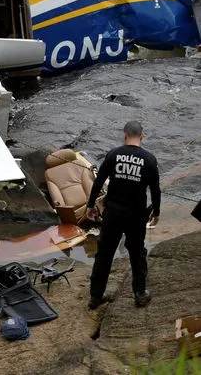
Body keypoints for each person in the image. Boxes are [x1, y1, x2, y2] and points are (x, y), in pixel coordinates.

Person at [86, 120, 160, 310]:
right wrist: (157, 212)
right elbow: (155, 189)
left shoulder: (113, 154)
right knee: (137, 253)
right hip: (136, 216)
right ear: (141, 137)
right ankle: (140, 294)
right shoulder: (149, 159)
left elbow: (98, 181)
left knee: (104, 254)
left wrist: (90, 205)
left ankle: (95, 297)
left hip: (113, 213)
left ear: (125, 135)